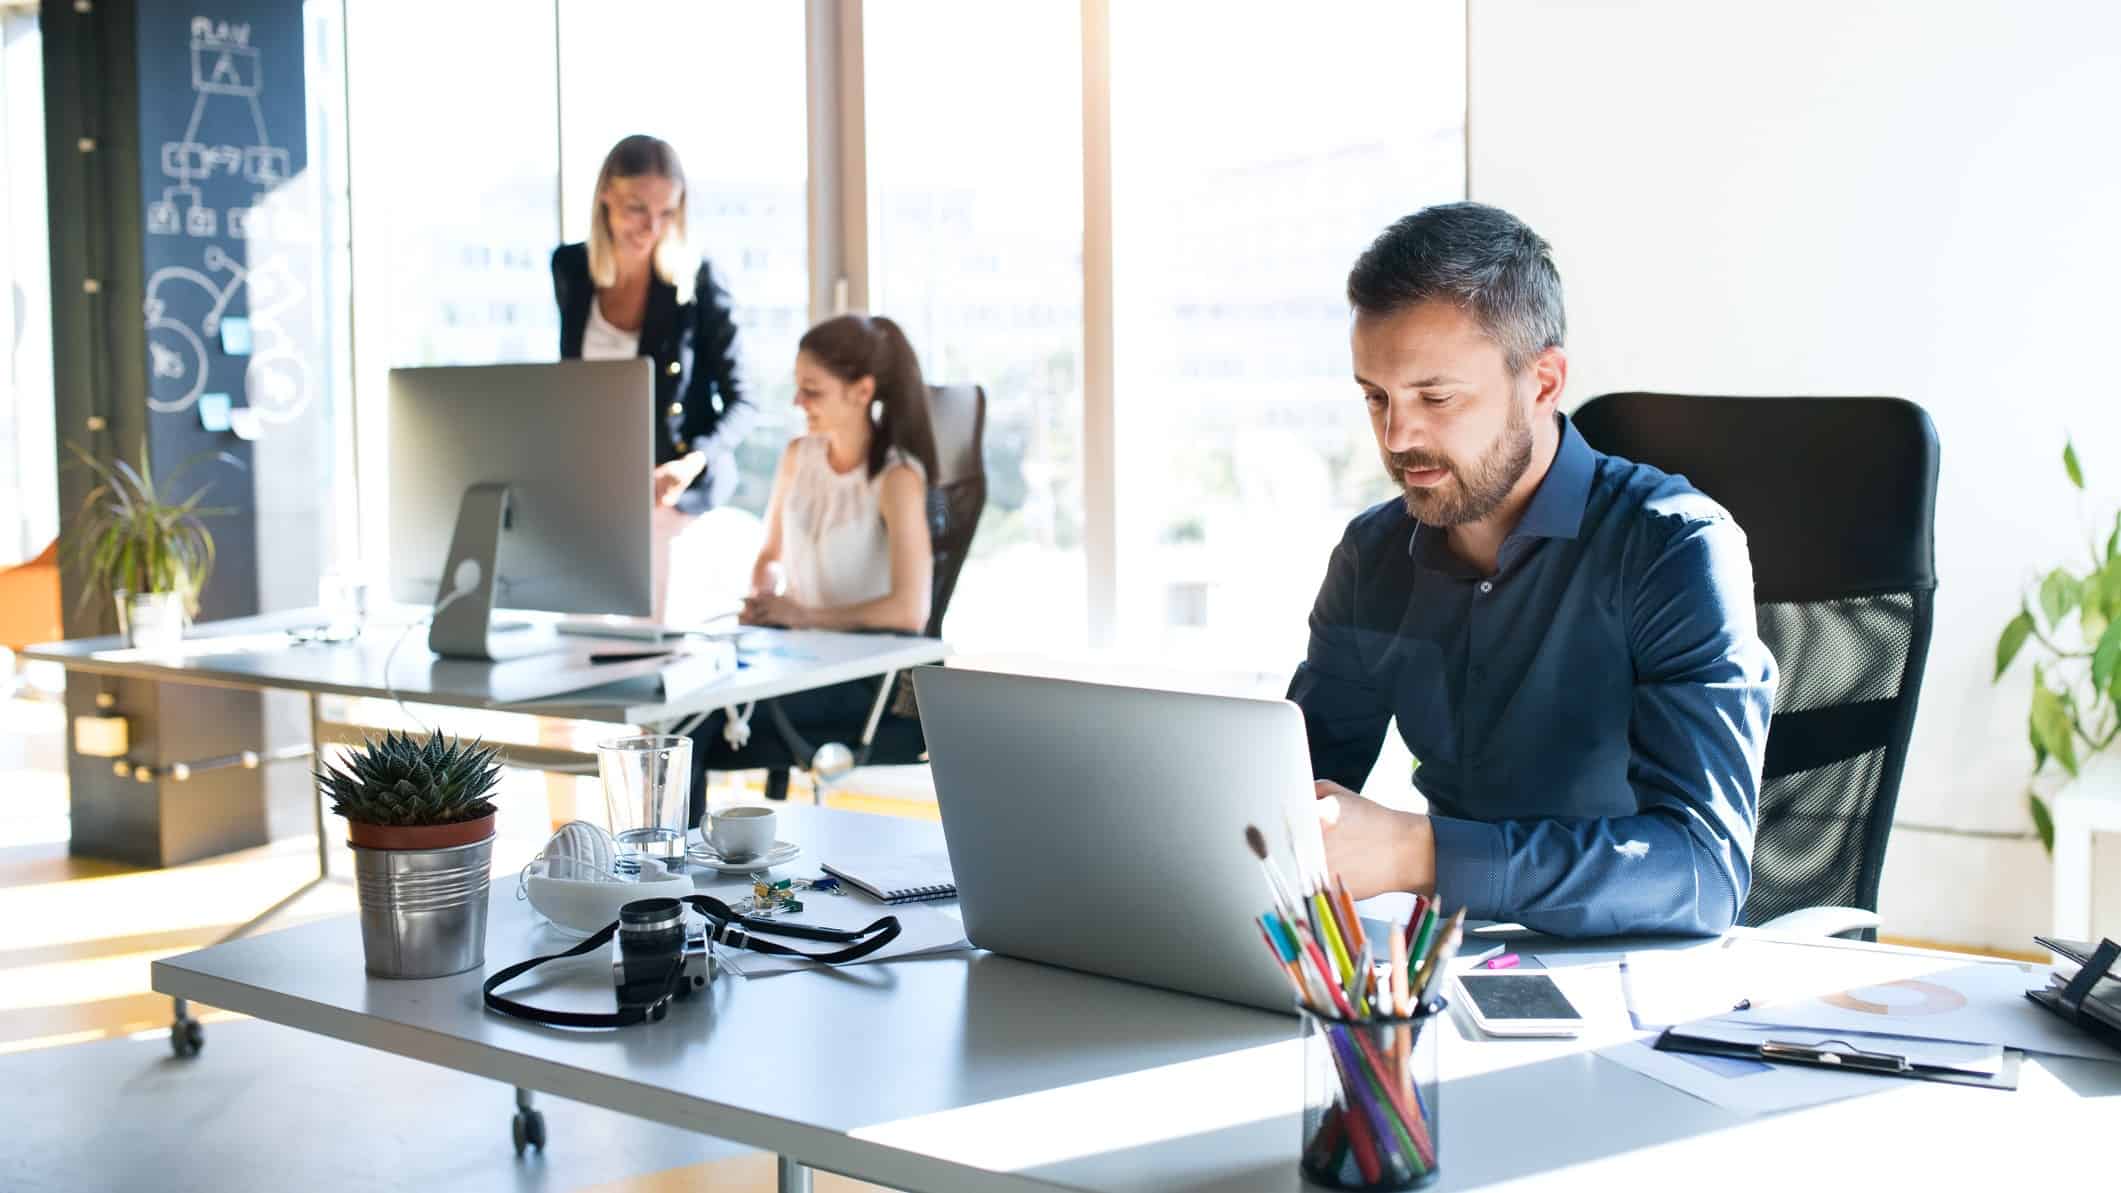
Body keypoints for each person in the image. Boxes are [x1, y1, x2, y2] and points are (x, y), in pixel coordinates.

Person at [1291, 202, 1777, 937]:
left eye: (1436, 396)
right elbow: (1290, 793)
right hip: (1452, 963)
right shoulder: (1372, 556)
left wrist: (1418, 850)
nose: (1397, 435)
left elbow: (1702, 873)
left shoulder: (1675, 548)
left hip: (1641, 974)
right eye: (1376, 397)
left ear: (1543, 382)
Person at [687, 313, 939, 821]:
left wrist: (802, 616)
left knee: (691, 727)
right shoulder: (798, 456)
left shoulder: (896, 478)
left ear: (861, 391)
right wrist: (762, 599)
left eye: (812, 391)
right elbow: (769, 557)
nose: (798, 403)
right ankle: (665, 872)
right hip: (793, 659)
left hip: (865, 679)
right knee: (679, 703)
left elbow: (910, 611)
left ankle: (664, 877)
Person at [552, 134, 753, 622]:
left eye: (667, 213)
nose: (652, 227)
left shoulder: (697, 280)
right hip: (597, 480)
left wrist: (690, 464)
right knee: (571, 626)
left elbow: (742, 401)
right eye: (636, 209)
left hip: (676, 484)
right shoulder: (572, 268)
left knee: (649, 629)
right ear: (605, 197)